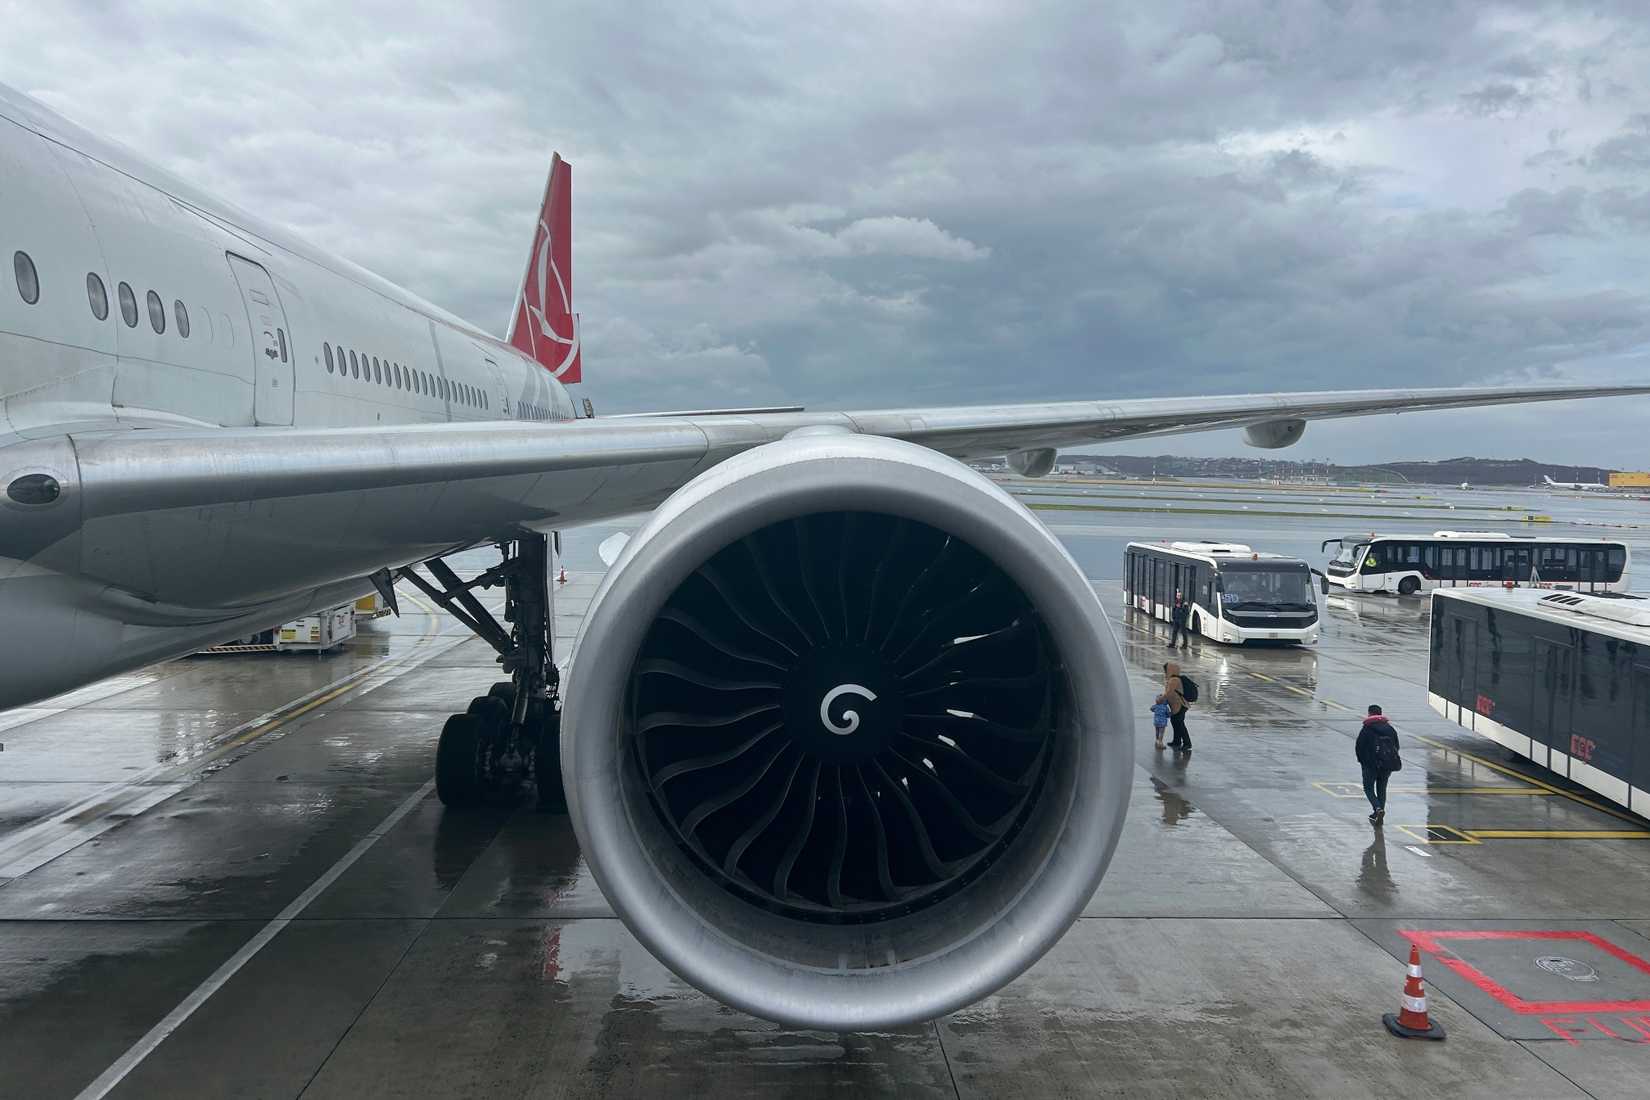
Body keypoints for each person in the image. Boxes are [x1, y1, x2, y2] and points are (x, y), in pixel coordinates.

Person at [1355, 704, 1400, 825]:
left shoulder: (1367, 729)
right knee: (1381, 788)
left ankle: (1377, 808)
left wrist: (1362, 761)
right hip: (1386, 765)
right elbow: (1396, 746)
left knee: (1368, 788)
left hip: (1370, 765)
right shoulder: (1390, 729)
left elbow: (1359, 747)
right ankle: (1379, 813)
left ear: (1369, 714)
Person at [1163, 662, 1191, 753]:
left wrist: (1161, 699)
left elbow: (1169, 693)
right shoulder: (1172, 679)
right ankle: (1177, 741)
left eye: (1166, 670)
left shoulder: (1174, 680)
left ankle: (1187, 743)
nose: (1165, 672)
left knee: (1179, 723)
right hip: (1176, 706)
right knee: (1175, 722)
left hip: (1180, 705)